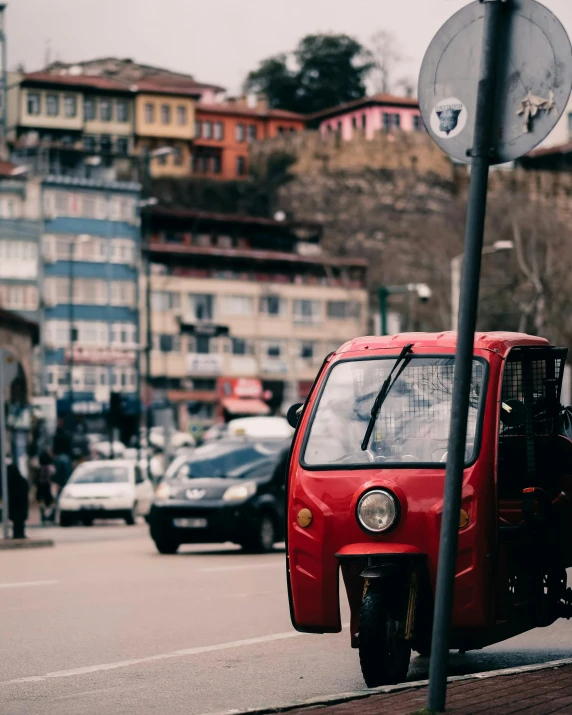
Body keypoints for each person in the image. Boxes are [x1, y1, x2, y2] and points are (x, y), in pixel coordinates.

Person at [7, 460, 29, 539]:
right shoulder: (22, 481)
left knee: (16, 522)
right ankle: (21, 534)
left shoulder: (9, 482)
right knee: (20, 522)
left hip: (14, 506)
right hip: (22, 506)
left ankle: (17, 534)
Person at [37, 449, 56, 524]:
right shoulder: (51, 468)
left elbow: (36, 479)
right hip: (49, 488)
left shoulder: (39, 468)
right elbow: (54, 477)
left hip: (41, 488)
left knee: (42, 504)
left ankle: (43, 517)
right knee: (52, 503)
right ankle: (51, 517)